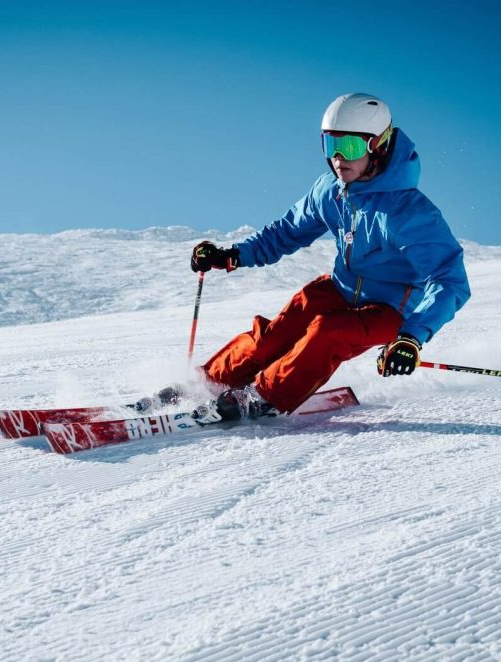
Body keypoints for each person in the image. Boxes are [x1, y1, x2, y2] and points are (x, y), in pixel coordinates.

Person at [189, 92, 471, 423]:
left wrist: (412, 337)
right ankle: (206, 383)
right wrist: (232, 255)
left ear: (377, 146)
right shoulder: (330, 191)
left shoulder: (408, 212)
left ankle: (263, 397)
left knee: (328, 332)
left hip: (391, 309)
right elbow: (286, 232)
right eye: (330, 144)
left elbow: (449, 280)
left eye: (349, 146)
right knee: (276, 334)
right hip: (340, 288)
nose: (338, 158)